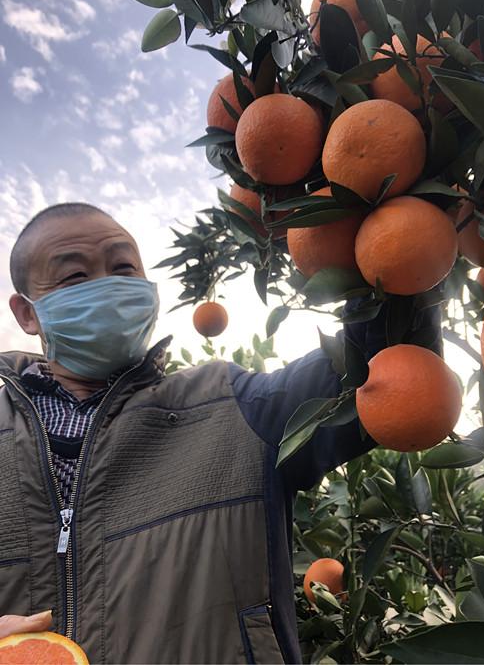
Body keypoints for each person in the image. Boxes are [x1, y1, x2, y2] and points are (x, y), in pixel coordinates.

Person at [0, 203, 441, 664]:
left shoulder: (231, 405)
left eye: (123, 267)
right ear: (27, 313)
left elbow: (379, 371)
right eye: (74, 276)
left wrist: (392, 211)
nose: (108, 287)